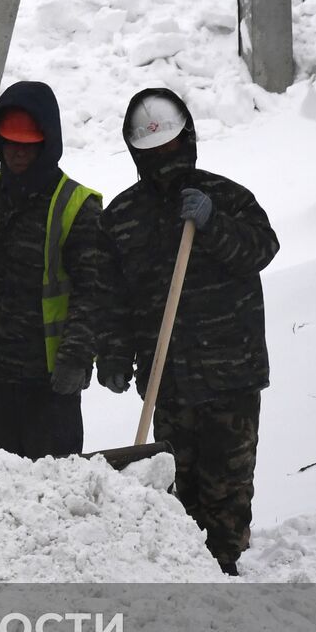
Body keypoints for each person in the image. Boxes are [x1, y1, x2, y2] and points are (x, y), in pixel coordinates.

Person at [97, 88, 279, 576]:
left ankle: (225, 575)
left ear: (190, 142)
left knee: (227, 493)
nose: (165, 162)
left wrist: (215, 223)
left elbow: (261, 249)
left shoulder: (228, 198)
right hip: (168, 379)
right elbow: (113, 300)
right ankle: (187, 579)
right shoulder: (121, 217)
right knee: (178, 496)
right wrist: (113, 357)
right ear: (137, 154)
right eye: (154, 153)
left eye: (172, 149)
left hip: (231, 375)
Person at [0, 81, 104, 459]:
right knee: (4, 478)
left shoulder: (76, 206)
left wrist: (77, 356)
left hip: (51, 374)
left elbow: (94, 292)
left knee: (54, 482)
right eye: (10, 143)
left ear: (47, 143)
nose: (17, 154)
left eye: (27, 145)